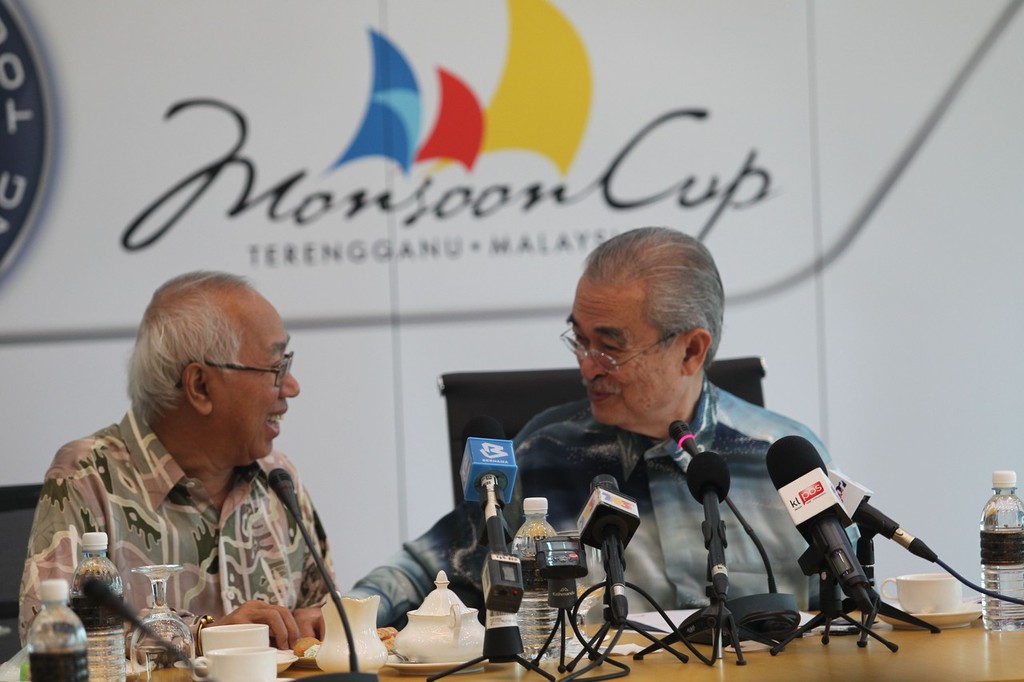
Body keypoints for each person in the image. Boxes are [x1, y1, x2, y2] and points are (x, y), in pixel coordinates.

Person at [351, 226, 839, 627]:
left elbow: (848, 602)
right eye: (579, 341)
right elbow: (427, 569)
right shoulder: (541, 453)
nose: (587, 367)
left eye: (609, 348)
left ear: (691, 350)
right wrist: (347, 615)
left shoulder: (781, 459)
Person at [18, 271, 331, 651]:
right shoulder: (88, 477)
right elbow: (48, 638)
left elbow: (324, 609)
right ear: (200, 386)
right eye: (276, 368)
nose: (292, 388)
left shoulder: (277, 477)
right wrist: (202, 636)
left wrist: (314, 627)